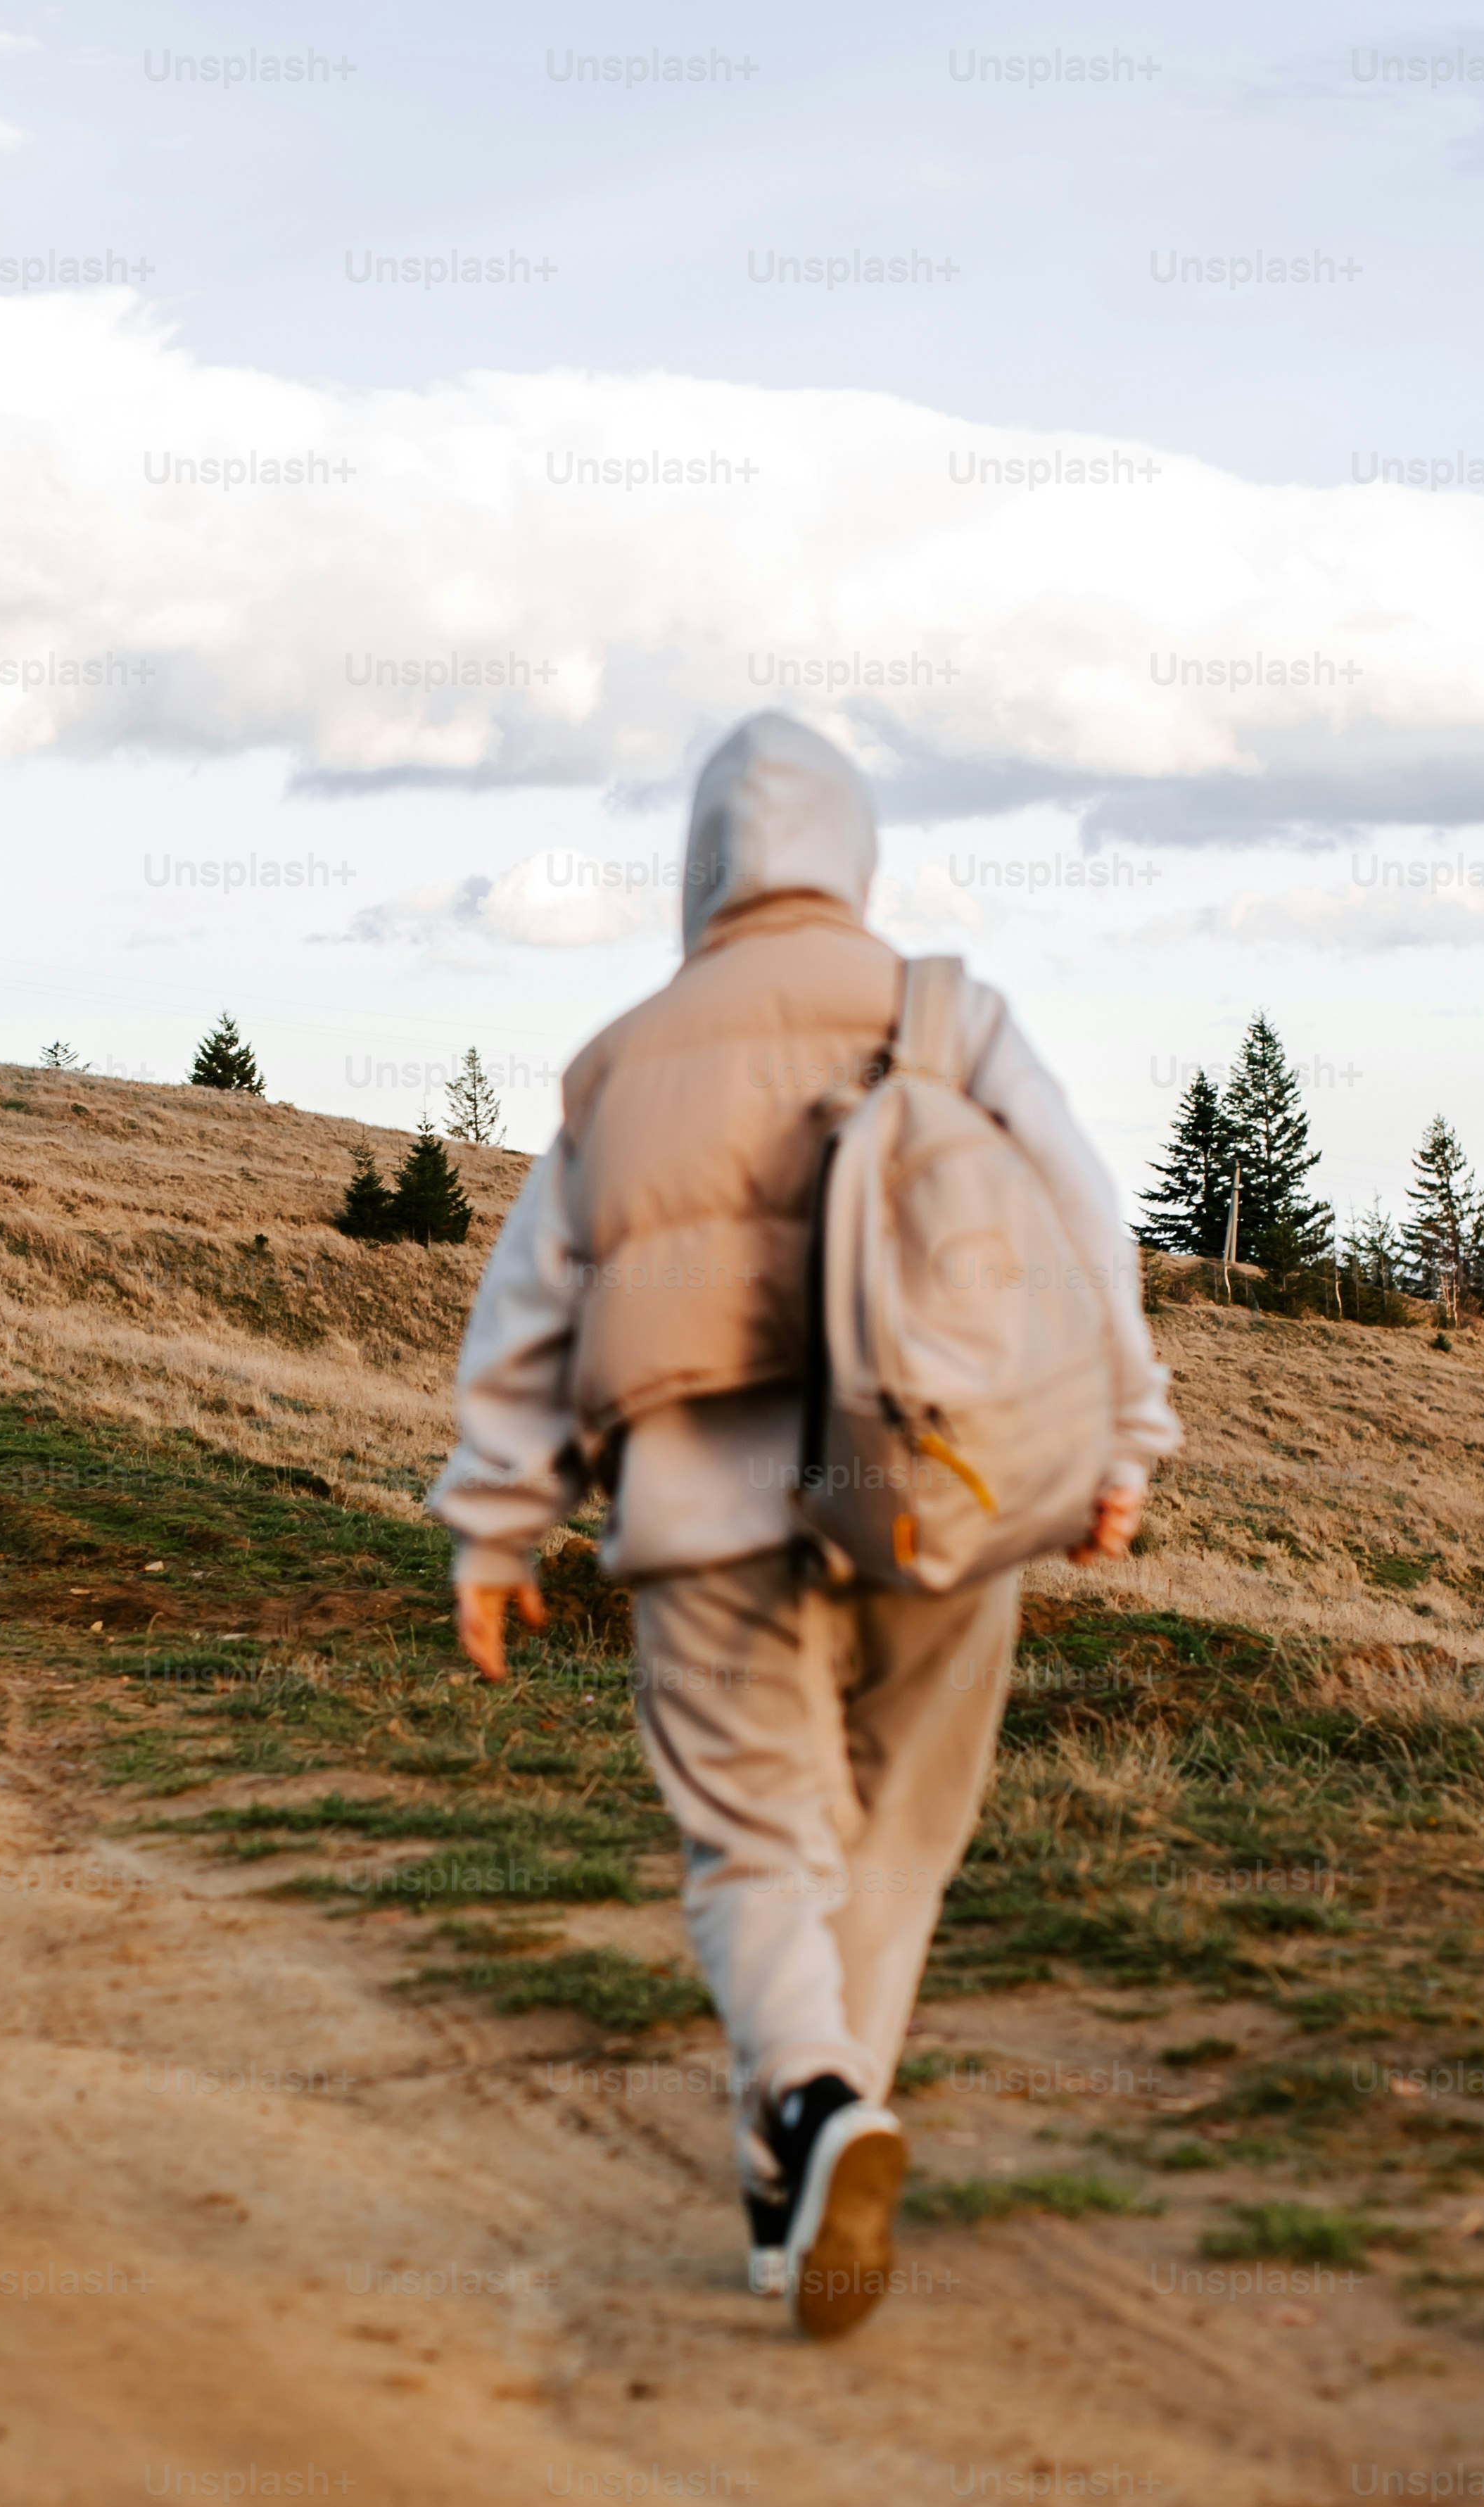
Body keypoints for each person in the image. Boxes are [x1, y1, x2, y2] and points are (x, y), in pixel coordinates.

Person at [430, 711, 1181, 2339]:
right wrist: (1125, 1438)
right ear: (854, 855)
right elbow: (1076, 1209)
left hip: (705, 1502)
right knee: (896, 1838)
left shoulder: (623, 1055)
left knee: (756, 1842)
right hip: (933, 1492)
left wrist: (497, 1525)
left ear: (700, 868)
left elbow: (530, 1309)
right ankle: (816, 2144)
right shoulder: (943, 1008)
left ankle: (813, 2108)